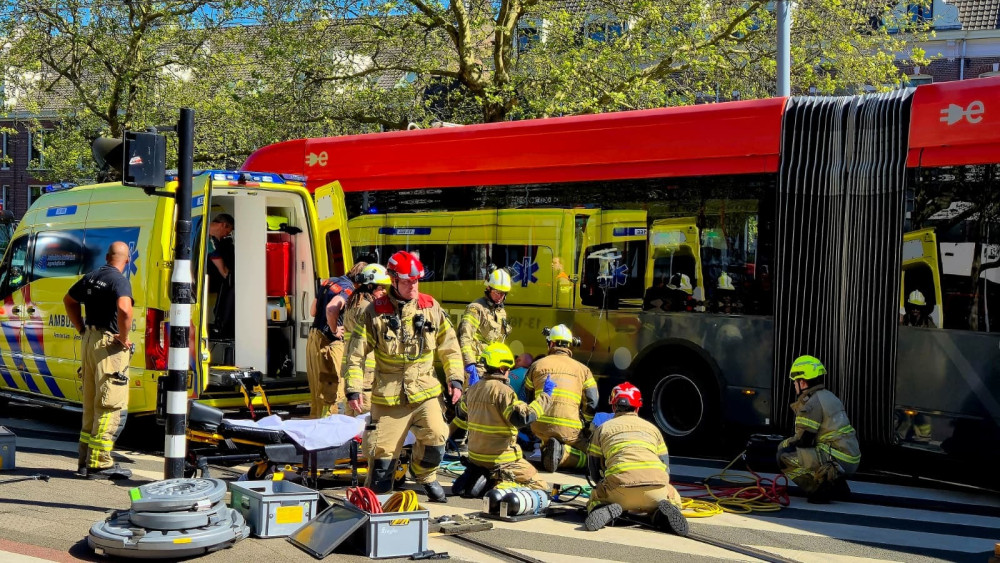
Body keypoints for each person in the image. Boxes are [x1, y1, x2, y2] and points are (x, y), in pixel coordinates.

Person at [344, 250, 464, 502]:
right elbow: (355, 354)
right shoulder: (374, 313)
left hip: (425, 392)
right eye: (408, 281)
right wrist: (353, 389)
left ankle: (425, 475)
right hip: (389, 397)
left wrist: (456, 379)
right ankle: (376, 505)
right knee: (381, 457)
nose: (413, 286)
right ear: (393, 280)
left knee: (437, 436)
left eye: (417, 281)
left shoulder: (430, 307)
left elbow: (450, 346)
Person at [63, 242, 134, 480]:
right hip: (107, 345)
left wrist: (81, 327)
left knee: (92, 402)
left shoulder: (92, 276)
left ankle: (84, 461)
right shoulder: (119, 280)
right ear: (127, 259)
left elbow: (69, 300)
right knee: (109, 403)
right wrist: (124, 338)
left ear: (106, 256)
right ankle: (100, 464)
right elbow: (124, 309)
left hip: (89, 340)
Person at [585, 383, 688, 535]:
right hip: (656, 491)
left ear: (614, 407)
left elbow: (593, 467)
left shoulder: (603, 428)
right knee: (672, 495)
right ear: (638, 407)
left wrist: (601, 485)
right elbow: (665, 466)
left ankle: (603, 508)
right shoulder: (653, 429)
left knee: (595, 497)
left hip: (620, 491)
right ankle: (659, 514)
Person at [453, 343, 555, 496]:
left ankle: (484, 477)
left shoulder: (473, 389)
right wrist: (545, 396)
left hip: (475, 457)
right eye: (508, 369)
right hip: (502, 459)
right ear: (502, 368)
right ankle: (500, 483)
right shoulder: (504, 392)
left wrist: (471, 390)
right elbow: (522, 418)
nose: (509, 372)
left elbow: (461, 412)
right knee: (541, 486)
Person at [777, 355, 860, 503]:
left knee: (784, 455)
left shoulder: (811, 403)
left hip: (837, 457)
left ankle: (819, 489)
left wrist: (783, 444)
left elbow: (805, 441)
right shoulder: (829, 396)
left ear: (802, 382)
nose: (794, 385)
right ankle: (837, 484)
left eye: (794, 382)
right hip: (849, 456)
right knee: (803, 449)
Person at [451, 268, 513, 451]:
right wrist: (469, 364)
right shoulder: (475, 309)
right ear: (488, 289)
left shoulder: (501, 312)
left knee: (491, 405)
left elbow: (500, 342)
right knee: (470, 404)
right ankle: (455, 439)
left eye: (503, 293)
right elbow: (465, 337)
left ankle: (478, 441)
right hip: (477, 364)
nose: (500, 296)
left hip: (494, 367)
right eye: (497, 292)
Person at [526, 324, 599, 472]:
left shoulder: (536, 365)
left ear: (551, 343)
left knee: (546, 437)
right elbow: (592, 401)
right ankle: (563, 454)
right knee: (595, 458)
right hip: (570, 430)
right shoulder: (583, 370)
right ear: (569, 346)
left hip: (539, 427)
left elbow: (529, 396)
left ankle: (548, 447)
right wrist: (585, 423)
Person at [306, 263, 361, 418]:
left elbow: (312, 311)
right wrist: (335, 330)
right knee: (331, 390)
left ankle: (316, 426)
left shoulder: (328, 282)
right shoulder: (348, 289)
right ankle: (328, 429)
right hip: (328, 343)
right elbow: (331, 308)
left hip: (314, 338)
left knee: (317, 389)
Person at [342, 263, 391, 416]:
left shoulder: (354, 303)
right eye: (381, 288)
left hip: (353, 375)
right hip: (365, 376)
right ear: (370, 286)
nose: (384, 292)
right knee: (366, 424)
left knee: (351, 426)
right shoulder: (367, 309)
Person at [207, 214, 235, 338]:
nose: (226, 235)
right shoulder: (211, 241)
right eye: (228, 231)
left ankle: (221, 322)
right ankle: (222, 324)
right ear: (223, 225)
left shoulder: (198, 228)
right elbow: (223, 272)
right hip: (201, 281)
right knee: (230, 285)